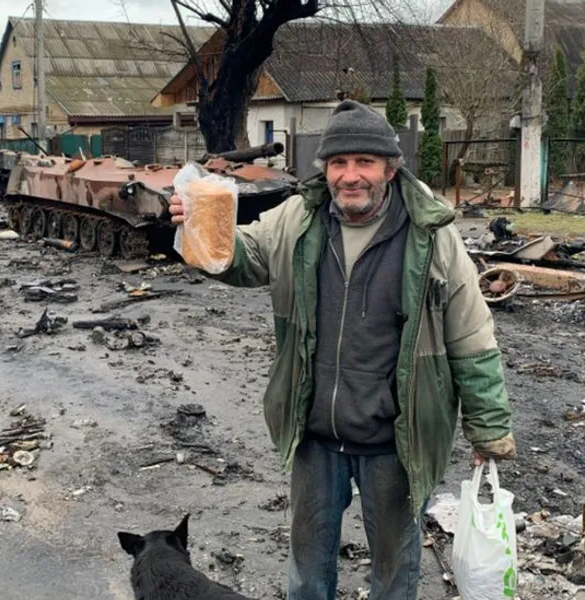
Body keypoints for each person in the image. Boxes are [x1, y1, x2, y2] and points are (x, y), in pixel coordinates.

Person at [169, 100, 516, 600]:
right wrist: (197, 230)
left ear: (390, 168)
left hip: (395, 442)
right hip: (316, 437)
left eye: (364, 162)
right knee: (307, 573)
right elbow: (243, 258)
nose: (350, 176)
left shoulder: (433, 236)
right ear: (326, 169)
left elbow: (472, 337)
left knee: (395, 573)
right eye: (338, 163)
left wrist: (490, 428)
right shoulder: (298, 218)